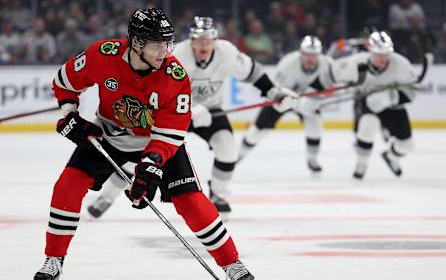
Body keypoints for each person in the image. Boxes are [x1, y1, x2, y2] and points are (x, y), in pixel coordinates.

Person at [33, 8, 254, 280]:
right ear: (136, 43)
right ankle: (53, 260)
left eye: (167, 43)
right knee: (67, 187)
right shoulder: (104, 55)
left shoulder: (175, 76)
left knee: (190, 200)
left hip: (157, 142)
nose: (165, 51)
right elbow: (64, 83)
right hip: (109, 134)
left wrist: (151, 166)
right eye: (156, 44)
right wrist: (70, 114)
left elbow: (170, 133)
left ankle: (231, 263)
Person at [85, 16, 298, 217]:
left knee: (228, 149)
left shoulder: (228, 53)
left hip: (211, 112)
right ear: (192, 40)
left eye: (208, 41)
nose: (204, 46)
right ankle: (107, 197)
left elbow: (254, 73)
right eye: (199, 41)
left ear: (215, 40)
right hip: (171, 115)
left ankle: (218, 193)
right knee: (138, 158)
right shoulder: (176, 55)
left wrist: (274, 93)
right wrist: (189, 110)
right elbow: (150, 89)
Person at [238, 35, 335, 173]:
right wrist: (289, 100)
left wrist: (318, 97)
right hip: (283, 100)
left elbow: (332, 88)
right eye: (307, 54)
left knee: (315, 124)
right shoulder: (288, 64)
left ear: (319, 55)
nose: (310, 59)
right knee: (258, 130)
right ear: (301, 53)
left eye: (314, 55)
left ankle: (312, 160)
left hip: (308, 101)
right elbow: (274, 90)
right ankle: (238, 156)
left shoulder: (328, 65)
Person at [331, 31, 417, 179]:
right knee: (367, 127)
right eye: (378, 53)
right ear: (370, 50)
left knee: (407, 145)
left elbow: (412, 93)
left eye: (386, 53)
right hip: (368, 103)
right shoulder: (356, 62)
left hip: (393, 107)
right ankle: (361, 165)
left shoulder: (401, 64)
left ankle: (390, 156)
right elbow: (334, 75)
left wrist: (391, 97)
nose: (383, 58)